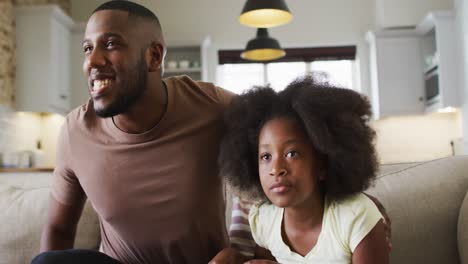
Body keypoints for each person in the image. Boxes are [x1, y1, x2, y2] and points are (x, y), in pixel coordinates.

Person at [31, 1, 390, 264]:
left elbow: (291, 132)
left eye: (110, 44)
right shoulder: (75, 132)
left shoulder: (211, 106)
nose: (92, 61)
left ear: (154, 57)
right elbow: (59, 230)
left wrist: (350, 199)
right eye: (87, 48)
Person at [218, 76, 389, 263]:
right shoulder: (265, 220)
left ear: (322, 164)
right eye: (266, 157)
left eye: (292, 154)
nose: (276, 169)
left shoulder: (355, 217)